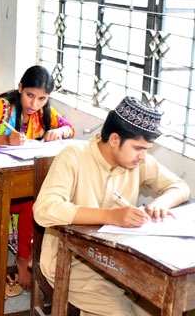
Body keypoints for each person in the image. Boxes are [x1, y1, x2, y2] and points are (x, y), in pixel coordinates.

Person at [33, 96, 190, 315]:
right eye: (138, 148)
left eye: (147, 149)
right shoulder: (74, 156)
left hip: (122, 264)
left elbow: (180, 187)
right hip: (73, 262)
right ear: (115, 139)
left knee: (164, 309)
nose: (142, 157)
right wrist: (111, 216)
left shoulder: (136, 162)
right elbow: (45, 210)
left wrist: (160, 203)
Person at [0, 65, 75, 289]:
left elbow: (69, 128)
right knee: (32, 203)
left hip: (19, 182)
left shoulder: (45, 113)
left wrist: (59, 132)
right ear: (20, 88)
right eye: (30, 95)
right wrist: (3, 140)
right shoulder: (2, 106)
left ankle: (35, 254)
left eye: (42, 99)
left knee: (41, 198)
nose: (34, 104)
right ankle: (24, 257)